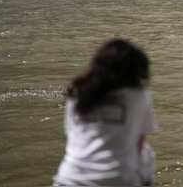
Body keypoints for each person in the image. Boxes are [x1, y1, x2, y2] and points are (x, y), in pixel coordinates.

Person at [54, 39, 157, 186]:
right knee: (146, 154)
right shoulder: (138, 95)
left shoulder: (76, 92)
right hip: (119, 179)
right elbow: (139, 142)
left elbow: (71, 134)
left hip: (70, 178)